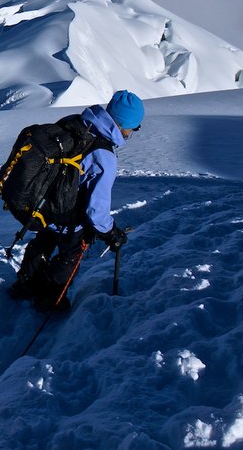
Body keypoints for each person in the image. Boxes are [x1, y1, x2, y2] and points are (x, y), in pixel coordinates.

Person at [9, 89, 144, 310]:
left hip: (46, 205)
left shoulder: (77, 124)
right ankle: (50, 299)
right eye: (134, 127)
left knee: (42, 243)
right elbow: (96, 210)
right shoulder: (105, 156)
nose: (133, 132)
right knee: (69, 256)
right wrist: (111, 234)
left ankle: (24, 285)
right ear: (124, 125)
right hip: (70, 218)